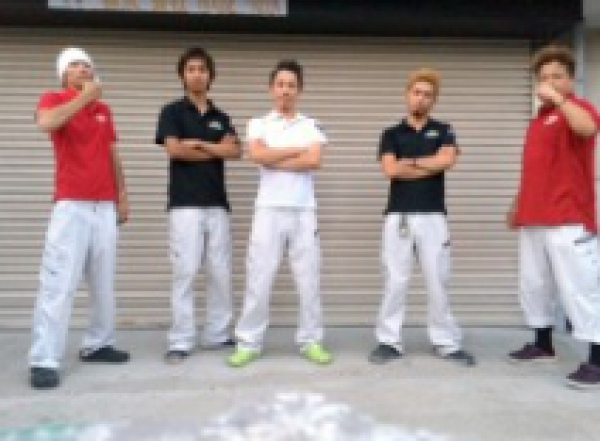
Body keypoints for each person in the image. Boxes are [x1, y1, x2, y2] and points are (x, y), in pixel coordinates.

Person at [29, 47, 130, 389]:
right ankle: (44, 358)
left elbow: (112, 154)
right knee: (59, 282)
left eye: (87, 65)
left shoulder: (103, 110)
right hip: (71, 205)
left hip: (104, 205)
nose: (83, 69)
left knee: (103, 281)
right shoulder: (53, 99)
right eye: (75, 64)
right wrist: (83, 98)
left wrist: (122, 195)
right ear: (63, 74)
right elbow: (46, 123)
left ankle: (99, 343)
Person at [227, 60, 333, 367]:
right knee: (259, 278)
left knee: (308, 279)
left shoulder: (311, 125)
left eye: (291, 85)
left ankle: (311, 341)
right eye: (280, 85)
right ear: (271, 88)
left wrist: (274, 158)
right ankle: (249, 342)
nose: (285, 90)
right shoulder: (259, 123)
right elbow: (257, 154)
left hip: (303, 210)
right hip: (268, 210)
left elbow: (314, 161)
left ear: (299, 90)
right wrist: (295, 150)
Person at [507, 45, 600, 389]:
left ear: (571, 80)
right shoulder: (537, 123)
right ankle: (542, 344)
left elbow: (587, 129)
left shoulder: (579, 109)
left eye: (557, 76)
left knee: (581, 289)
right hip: (534, 217)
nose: (549, 82)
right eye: (543, 77)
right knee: (534, 285)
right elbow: (535, 170)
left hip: (568, 217)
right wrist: (517, 204)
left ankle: (597, 361)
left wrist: (560, 100)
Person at [368, 68, 475, 367]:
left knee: (438, 279)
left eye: (428, 94)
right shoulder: (391, 134)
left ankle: (446, 342)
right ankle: (389, 341)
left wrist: (411, 162)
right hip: (398, 215)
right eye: (416, 92)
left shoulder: (444, 130)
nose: (421, 98)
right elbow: (390, 169)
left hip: (433, 216)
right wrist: (430, 165)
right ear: (407, 95)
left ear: (434, 100)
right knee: (395, 281)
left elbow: (447, 160)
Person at [155, 47, 241, 364]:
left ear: (210, 76)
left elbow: (235, 152)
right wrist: (215, 149)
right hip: (185, 206)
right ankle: (180, 340)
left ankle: (217, 334)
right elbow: (174, 150)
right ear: (182, 75)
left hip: (217, 204)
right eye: (191, 69)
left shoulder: (221, 117)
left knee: (220, 272)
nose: (197, 74)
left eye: (202, 69)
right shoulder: (172, 112)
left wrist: (201, 144)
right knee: (186, 271)